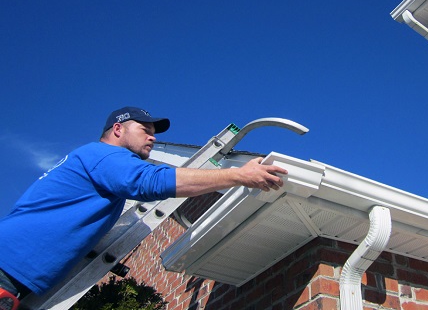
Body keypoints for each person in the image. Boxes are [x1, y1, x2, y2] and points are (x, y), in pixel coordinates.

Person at [0, 106, 286, 303]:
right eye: (144, 129)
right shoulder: (101, 154)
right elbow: (148, 182)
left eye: (153, 131)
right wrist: (239, 175)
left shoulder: (94, 162)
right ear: (117, 129)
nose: (153, 136)